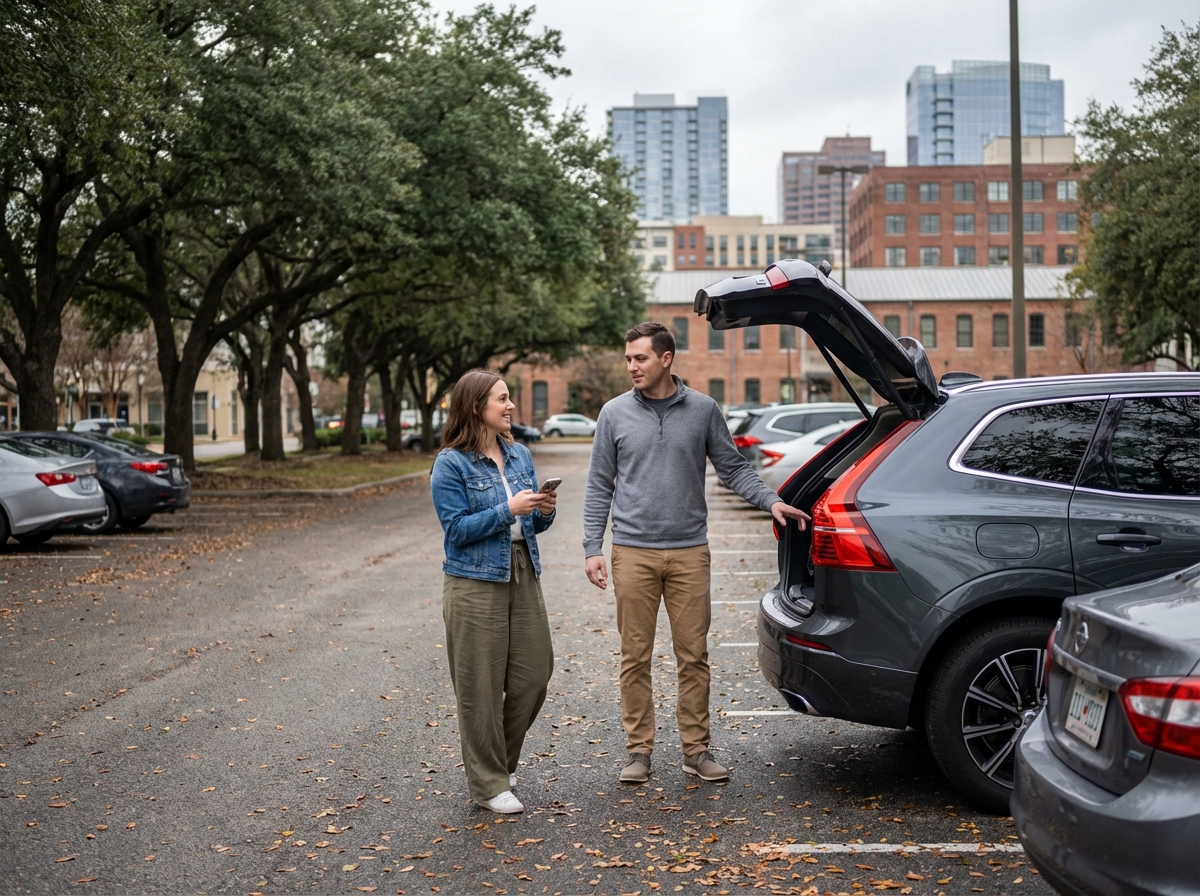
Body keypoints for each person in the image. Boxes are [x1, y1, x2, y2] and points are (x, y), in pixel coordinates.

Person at [583, 322, 810, 785]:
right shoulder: (613, 414)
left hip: (689, 552)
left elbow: (732, 468)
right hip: (632, 552)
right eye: (628, 359)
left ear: (665, 358)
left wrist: (772, 501)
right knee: (634, 657)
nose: (631, 367)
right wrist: (593, 546)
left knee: (693, 656)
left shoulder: (703, 409)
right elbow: (598, 484)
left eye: (640, 358)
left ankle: (696, 750)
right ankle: (639, 751)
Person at [430, 369, 558, 814]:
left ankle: (499, 763)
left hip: (522, 570)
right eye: (502, 400)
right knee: (479, 686)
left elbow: (534, 525)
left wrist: (542, 510)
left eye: (509, 398)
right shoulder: (451, 463)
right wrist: (508, 510)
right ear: (475, 407)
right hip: (473, 580)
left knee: (534, 674)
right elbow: (456, 530)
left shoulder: (519, 454)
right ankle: (487, 785)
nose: (510, 406)